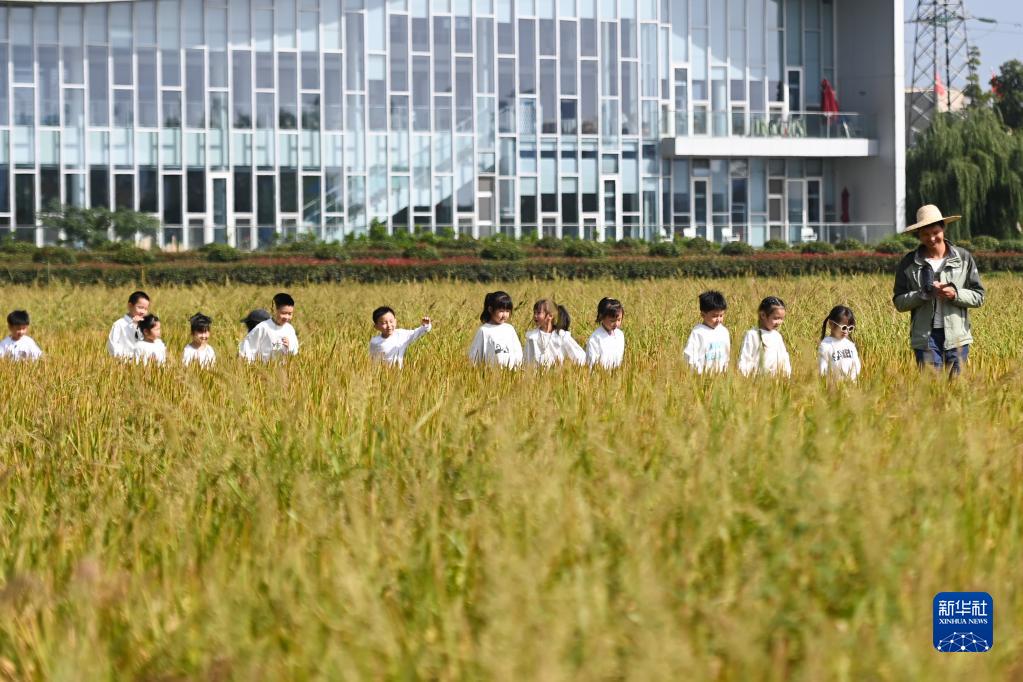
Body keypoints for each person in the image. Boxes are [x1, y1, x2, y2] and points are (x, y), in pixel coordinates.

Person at [893, 204, 985, 376]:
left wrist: (955, 294)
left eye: (935, 232)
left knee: (956, 387)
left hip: (957, 338)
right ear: (919, 234)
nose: (931, 238)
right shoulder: (909, 262)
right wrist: (921, 295)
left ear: (943, 229)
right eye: (925, 234)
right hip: (925, 338)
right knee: (931, 387)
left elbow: (979, 296)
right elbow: (899, 302)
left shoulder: (963, 258)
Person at [738, 296, 792, 377]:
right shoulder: (752, 335)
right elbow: (744, 359)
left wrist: (786, 375)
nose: (779, 322)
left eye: (781, 319)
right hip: (756, 379)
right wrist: (744, 377)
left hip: (775, 380)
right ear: (763, 315)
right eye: (776, 318)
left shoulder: (777, 336)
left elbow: (784, 358)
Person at [468, 291, 523, 368]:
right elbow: (475, 355)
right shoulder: (484, 330)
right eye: (501, 311)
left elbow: (518, 351)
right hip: (490, 372)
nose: (504, 315)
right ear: (490, 310)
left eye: (507, 311)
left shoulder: (509, 329)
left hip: (511, 372)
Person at [523, 299, 585, 367]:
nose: (535, 315)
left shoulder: (561, 336)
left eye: (538, 313)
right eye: (534, 313)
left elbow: (580, 356)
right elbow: (526, 361)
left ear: (550, 316)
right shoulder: (532, 337)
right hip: (537, 373)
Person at [239, 293, 299, 362]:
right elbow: (246, 350)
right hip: (263, 367)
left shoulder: (290, 329)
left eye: (290, 314)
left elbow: (295, 351)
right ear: (274, 310)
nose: (287, 317)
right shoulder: (263, 327)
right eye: (283, 313)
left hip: (284, 367)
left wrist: (289, 346)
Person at [682, 290, 731, 374]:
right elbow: (690, 357)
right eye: (714, 316)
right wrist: (697, 374)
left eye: (721, 315)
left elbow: (727, 356)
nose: (719, 319)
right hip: (701, 377)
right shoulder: (698, 333)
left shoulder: (724, 332)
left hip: (720, 377)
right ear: (703, 315)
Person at [818, 305, 861, 381]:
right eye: (843, 327)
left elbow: (857, 365)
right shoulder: (825, 345)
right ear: (831, 324)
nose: (846, 331)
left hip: (851, 385)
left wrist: (851, 380)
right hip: (834, 386)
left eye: (850, 328)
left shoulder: (850, 345)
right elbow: (823, 370)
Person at [108, 290, 150, 359]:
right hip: (123, 362)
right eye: (140, 307)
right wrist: (127, 359)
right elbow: (113, 346)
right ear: (130, 306)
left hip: (142, 363)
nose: (143, 312)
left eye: (146, 309)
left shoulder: (146, 326)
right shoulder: (119, 324)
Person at [586, 297, 625, 370]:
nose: (616, 324)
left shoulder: (620, 335)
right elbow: (591, 366)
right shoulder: (595, 339)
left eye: (619, 320)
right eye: (612, 321)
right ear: (601, 317)